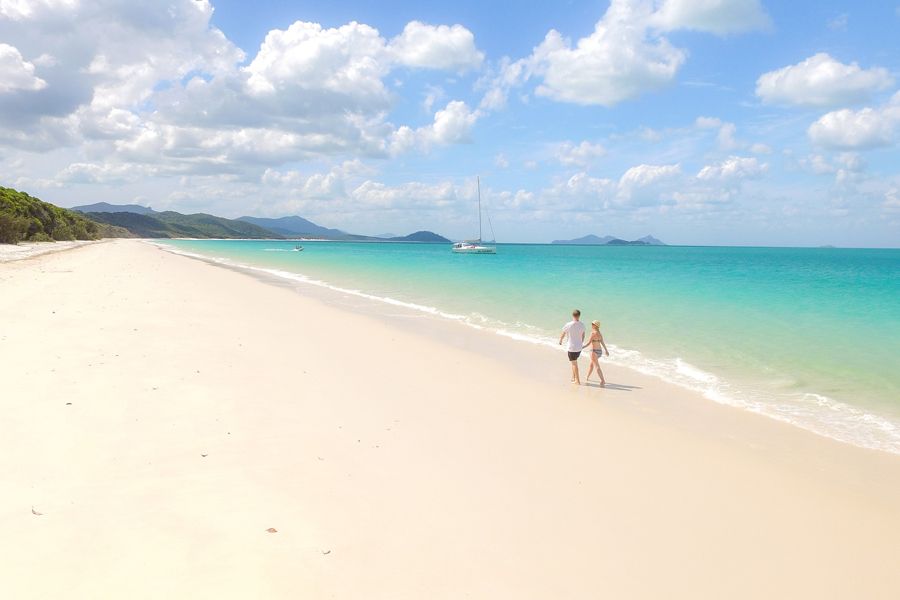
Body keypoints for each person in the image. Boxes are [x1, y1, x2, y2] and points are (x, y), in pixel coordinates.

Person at [559, 309, 586, 385]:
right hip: (579, 348)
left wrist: (560, 340)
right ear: (579, 316)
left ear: (572, 315)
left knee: (574, 364)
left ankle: (577, 380)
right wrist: (581, 342)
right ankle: (573, 378)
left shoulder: (568, 324)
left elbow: (563, 333)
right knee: (574, 362)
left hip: (571, 348)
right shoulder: (582, 324)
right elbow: (583, 335)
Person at [583, 320, 610, 386]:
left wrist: (581, 347)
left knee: (597, 366)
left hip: (593, 351)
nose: (591, 325)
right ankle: (587, 376)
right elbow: (602, 342)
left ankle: (602, 380)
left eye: (592, 324)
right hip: (599, 352)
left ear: (595, 326)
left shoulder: (593, 333)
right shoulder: (599, 333)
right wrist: (606, 350)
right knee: (591, 364)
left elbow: (588, 343)